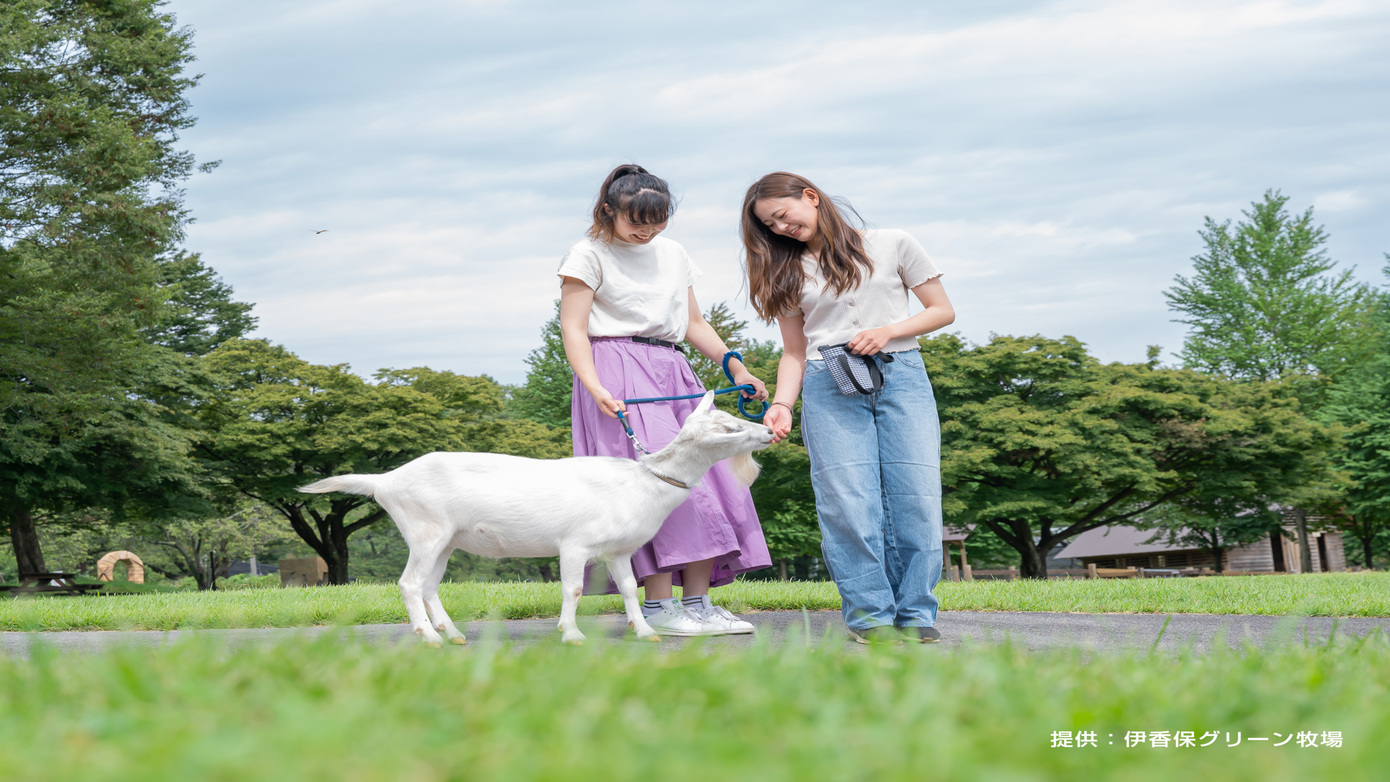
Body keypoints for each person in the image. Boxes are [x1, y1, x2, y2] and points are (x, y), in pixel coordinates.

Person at [557, 163, 772, 636]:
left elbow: (693, 322)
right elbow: (572, 327)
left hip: (673, 366)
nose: (647, 231)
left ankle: (698, 602)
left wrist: (734, 365)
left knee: (709, 479)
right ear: (608, 210)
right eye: (637, 221)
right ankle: (657, 606)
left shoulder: (672, 252)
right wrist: (595, 386)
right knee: (650, 485)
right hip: (614, 368)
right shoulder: (587, 253)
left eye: (658, 221)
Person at [740, 171, 955, 644]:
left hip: (902, 372)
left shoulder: (892, 242)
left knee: (916, 495)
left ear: (810, 197)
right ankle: (871, 616)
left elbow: (942, 310)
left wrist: (889, 331)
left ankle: (916, 613)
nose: (779, 229)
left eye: (782, 215)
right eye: (769, 226)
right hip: (827, 380)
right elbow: (794, 351)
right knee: (848, 503)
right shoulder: (787, 270)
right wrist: (781, 404)